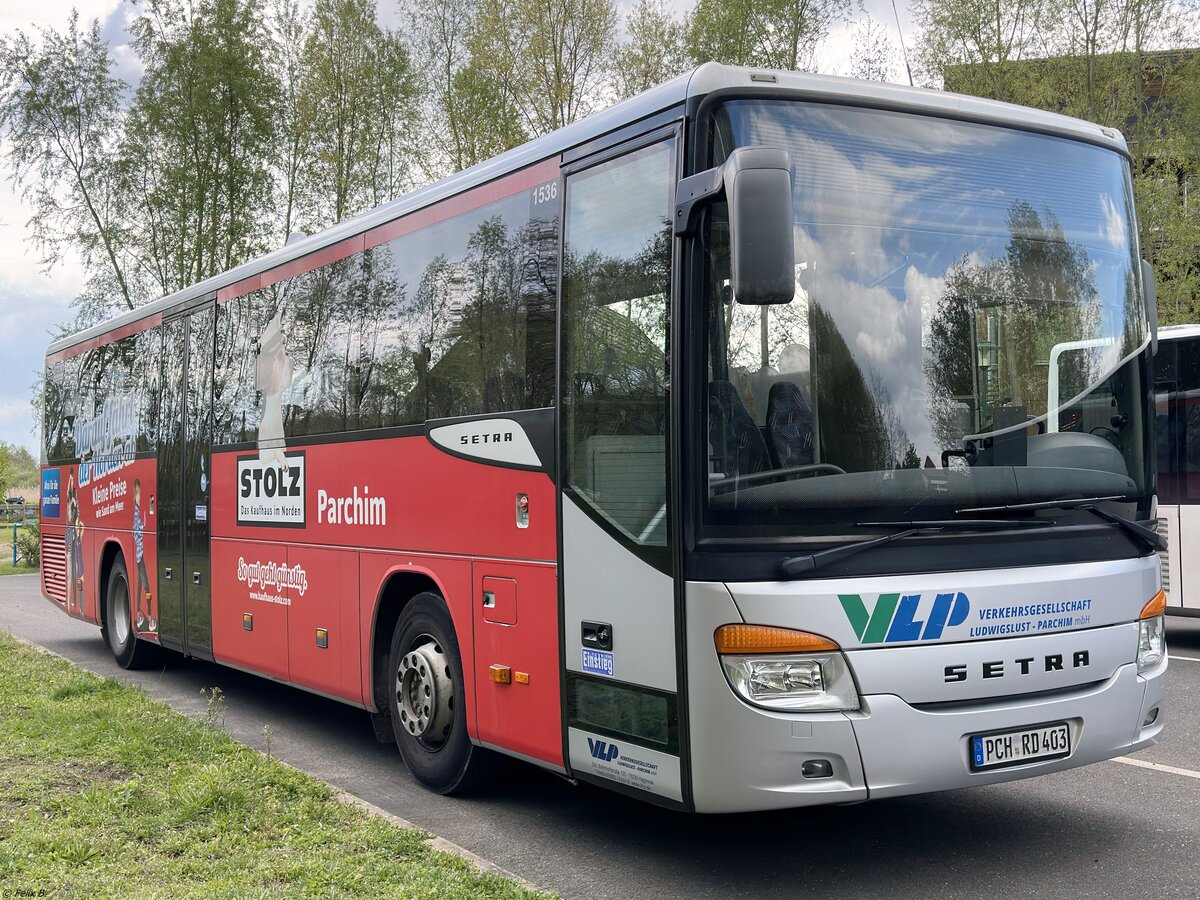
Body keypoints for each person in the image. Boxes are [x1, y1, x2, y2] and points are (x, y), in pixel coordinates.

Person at [132, 479, 155, 632]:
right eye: (138, 493)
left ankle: (140, 614)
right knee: (145, 585)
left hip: (140, 554)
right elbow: (134, 531)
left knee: (141, 584)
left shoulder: (139, 510)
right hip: (139, 555)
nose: (140, 495)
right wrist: (142, 525)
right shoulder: (136, 511)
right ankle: (149, 615)